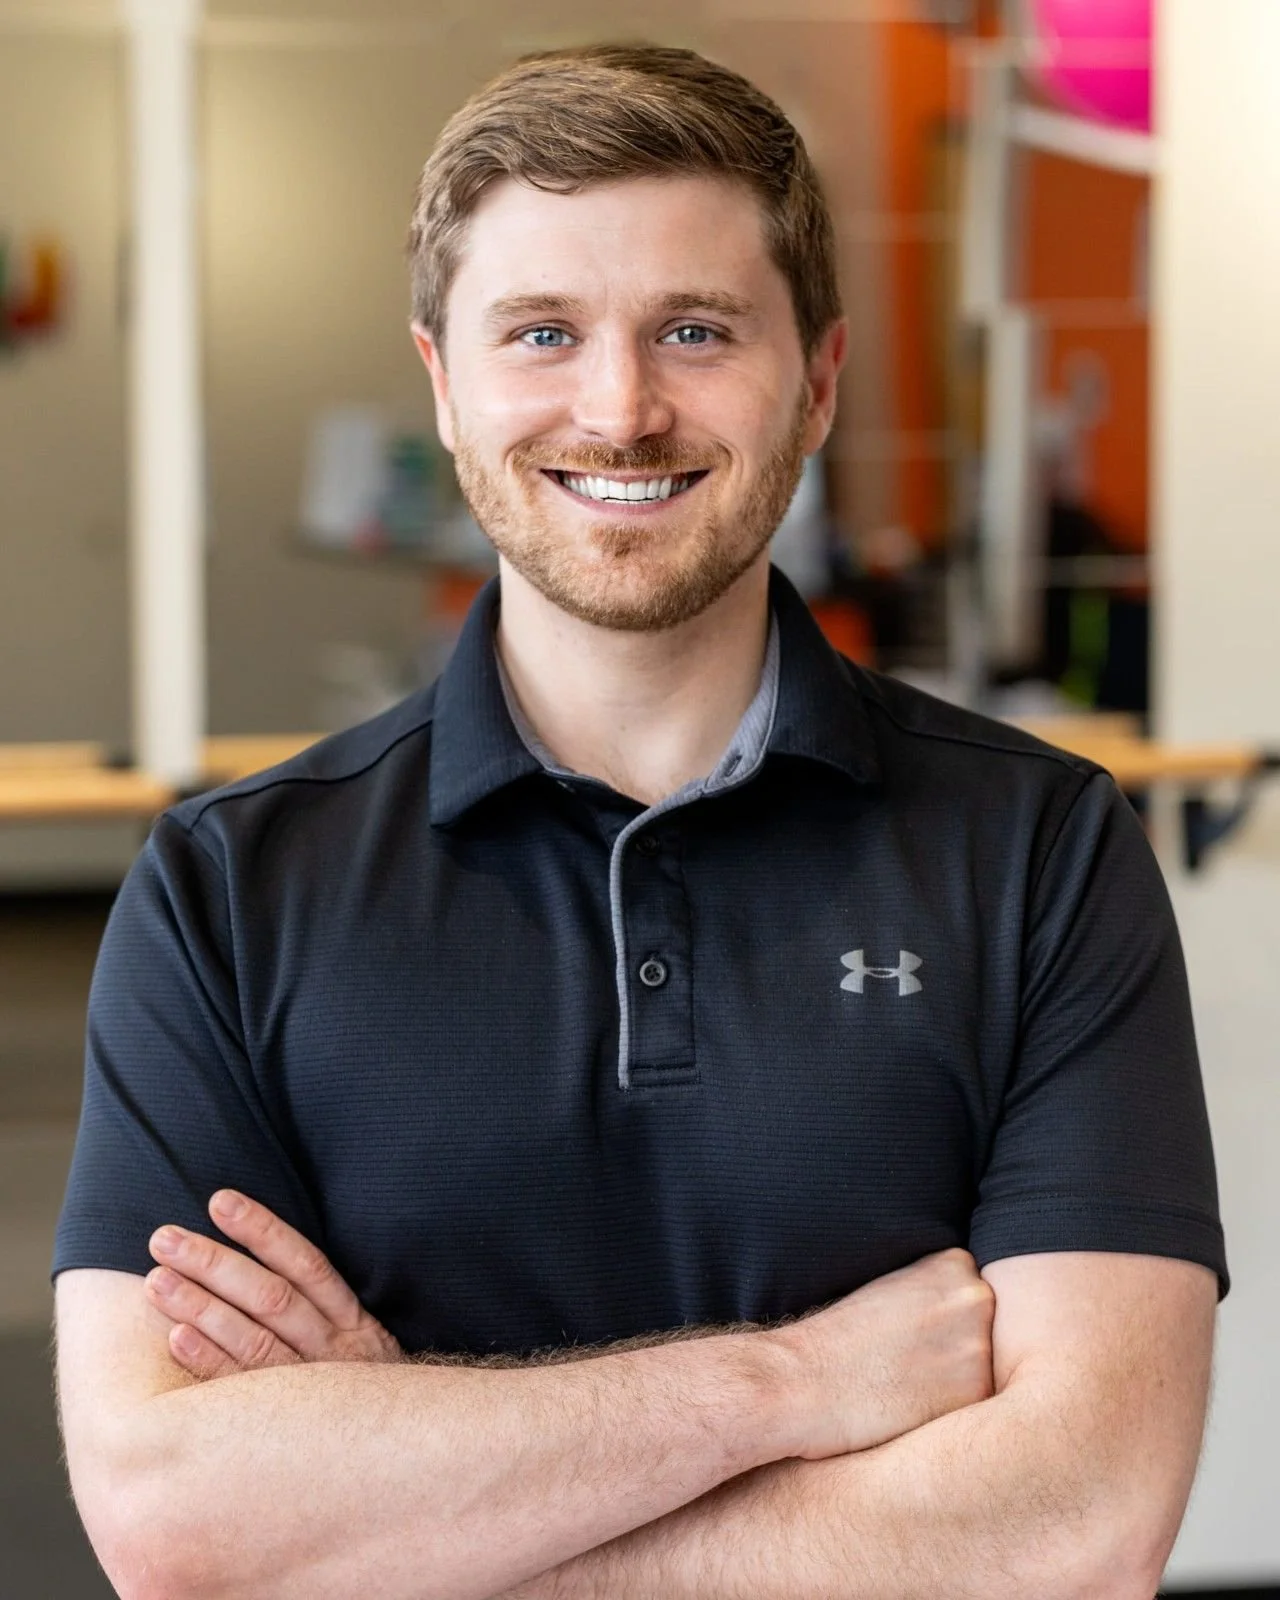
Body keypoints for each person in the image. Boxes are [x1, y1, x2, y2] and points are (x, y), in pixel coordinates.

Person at [53, 43, 1224, 1600]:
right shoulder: (227, 891)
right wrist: (791, 1385)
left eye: (695, 328)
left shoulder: (1044, 854)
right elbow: (173, 1528)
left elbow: (1075, 1530)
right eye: (543, 332)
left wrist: (404, 1496)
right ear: (444, 385)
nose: (620, 408)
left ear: (815, 382)